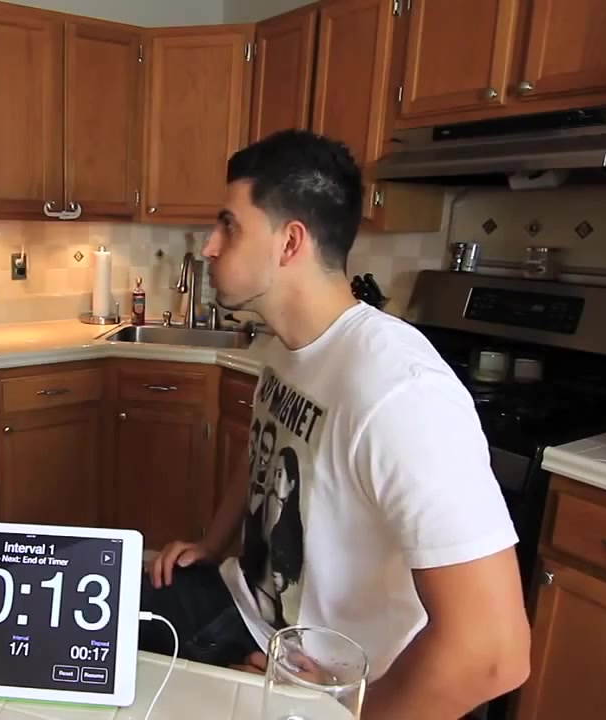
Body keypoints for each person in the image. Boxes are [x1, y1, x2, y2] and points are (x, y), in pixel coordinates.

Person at [140, 130, 531, 719]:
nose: (211, 247)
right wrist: (213, 543)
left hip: (316, 681)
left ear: (289, 242)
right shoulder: (292, 345)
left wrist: (348, 710)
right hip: (244, 610)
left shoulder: (400, 391)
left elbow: (494, 653)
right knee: (77, 639)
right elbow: (264, 450)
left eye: (229, 226)